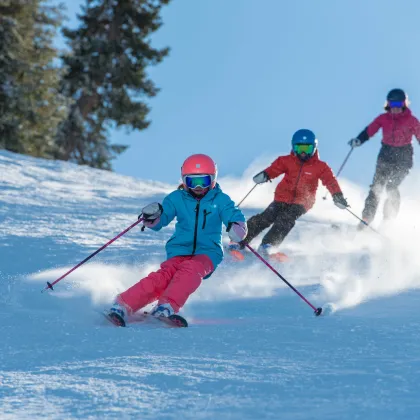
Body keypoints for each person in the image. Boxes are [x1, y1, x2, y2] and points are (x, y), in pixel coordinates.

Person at [107, 154, 247, 326]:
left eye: (203, 181)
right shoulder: (176, 198)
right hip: (179, 250)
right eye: (191, 181)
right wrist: (153, 218)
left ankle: (166, 307)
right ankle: (123, 304)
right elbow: (163, 218)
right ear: (183, 180)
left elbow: (234, 214)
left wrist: (237, 228)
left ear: (212, 179)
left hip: (208, 253)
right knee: (162, 277)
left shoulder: (221, 200)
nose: (197, 187)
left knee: (190, 270)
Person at [229, 129, 349, 259]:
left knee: (286, 219)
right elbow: (274, 169)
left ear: (314, 148)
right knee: (266, 216)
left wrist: (338, 196)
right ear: (293, 147)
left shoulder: (321, 166)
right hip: (282, 197)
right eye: (299, 148)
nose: (303, 153)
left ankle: (268, 244)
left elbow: (330, 181)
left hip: (302, 202)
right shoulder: (286, 161)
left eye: (307, 149)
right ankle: (239, 239)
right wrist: (265, 175)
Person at [348, 88, 420, 229]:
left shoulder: (411, 120)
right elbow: (370, 130)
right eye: (392, 105)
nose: (395, 108)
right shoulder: (383, 119)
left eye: (399, 104)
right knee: (376, 187)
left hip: (404, 156)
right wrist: (359, 140)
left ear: (404, 104)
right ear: (388, 104)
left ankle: (388, 219)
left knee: (391, 186)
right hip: (386, 154)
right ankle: (367, 217)